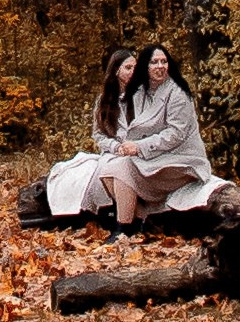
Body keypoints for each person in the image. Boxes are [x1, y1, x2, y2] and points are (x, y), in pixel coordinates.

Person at [92, 41, 216, 230]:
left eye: (164, 61)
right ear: (146, 67)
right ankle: (140, 220)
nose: (160, 67)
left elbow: (176, 133)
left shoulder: (177, 93)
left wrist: (139, 147)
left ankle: (124, 230)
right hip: (157, 156)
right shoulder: (142, 92)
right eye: (154, 62)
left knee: (121, 167)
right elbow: (129, 128)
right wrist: (122, 146)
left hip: (181, 160)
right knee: (108, 169)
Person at [40, 48, 138, 220]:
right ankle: (117, 215)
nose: (133, 72)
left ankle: (131, 217)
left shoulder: (143, 96)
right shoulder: (104, 100)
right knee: (107, 170)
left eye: (135, 68)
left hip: (138, 150)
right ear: (117, 70)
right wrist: (116, 147)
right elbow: (99, 135)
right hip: (113, 152)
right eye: (128, 68)